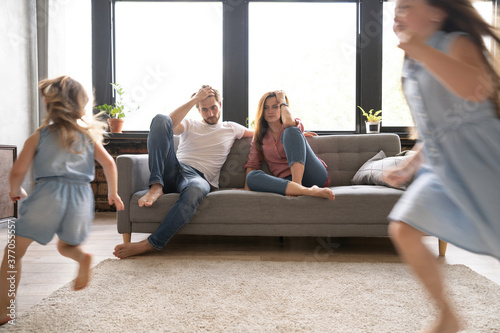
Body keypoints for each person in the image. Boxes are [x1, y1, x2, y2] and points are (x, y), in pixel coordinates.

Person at [384, 1, 500, 332]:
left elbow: (477, 90)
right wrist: (411, 163)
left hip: (484, 163)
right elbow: (437, 126)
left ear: (437, 12)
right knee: (403, 228)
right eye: (396, 8)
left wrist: (421, 50)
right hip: (444, 170)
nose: (397, 14)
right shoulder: (413, 63)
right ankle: (446, 314)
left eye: (407, 6)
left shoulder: (456, 42)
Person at [0, 76, 124, 324]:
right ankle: (82, 257)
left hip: (48, 195)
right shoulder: (88, 137)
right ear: (81, 106)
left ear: (48, 104)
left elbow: (17, 170)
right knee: (66, 246)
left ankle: (4, 310)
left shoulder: (39, 136)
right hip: (81, 197)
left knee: (13, 253)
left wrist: (16, 189)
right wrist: (113, 192)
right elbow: (109, 163)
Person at [113, 85, 254, 259]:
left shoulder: (232, 128)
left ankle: (151, 243)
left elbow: (261, 134)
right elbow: (166, 124)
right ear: (198, 109)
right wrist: (195, 98)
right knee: (159, 118)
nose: (210, 113)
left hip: (198, 178)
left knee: (195, 189)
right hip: (174, 169)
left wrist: (290, 125)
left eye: (213, 108)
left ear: (220, 105)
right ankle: (156, 185)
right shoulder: (189, 124)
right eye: (204, 109)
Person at [243, 90, 334, 200]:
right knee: (251, 177)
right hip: (286, 181)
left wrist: (282, 100)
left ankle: (298, 185)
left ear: (282, 107)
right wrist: (246, 189)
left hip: (312, 173)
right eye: (266, 108)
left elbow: (289, 124)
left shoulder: (293, 124)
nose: (270, 111)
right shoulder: (259, 137)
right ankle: (307, 190)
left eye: (275, 107)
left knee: (291, 131)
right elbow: (252, 164)